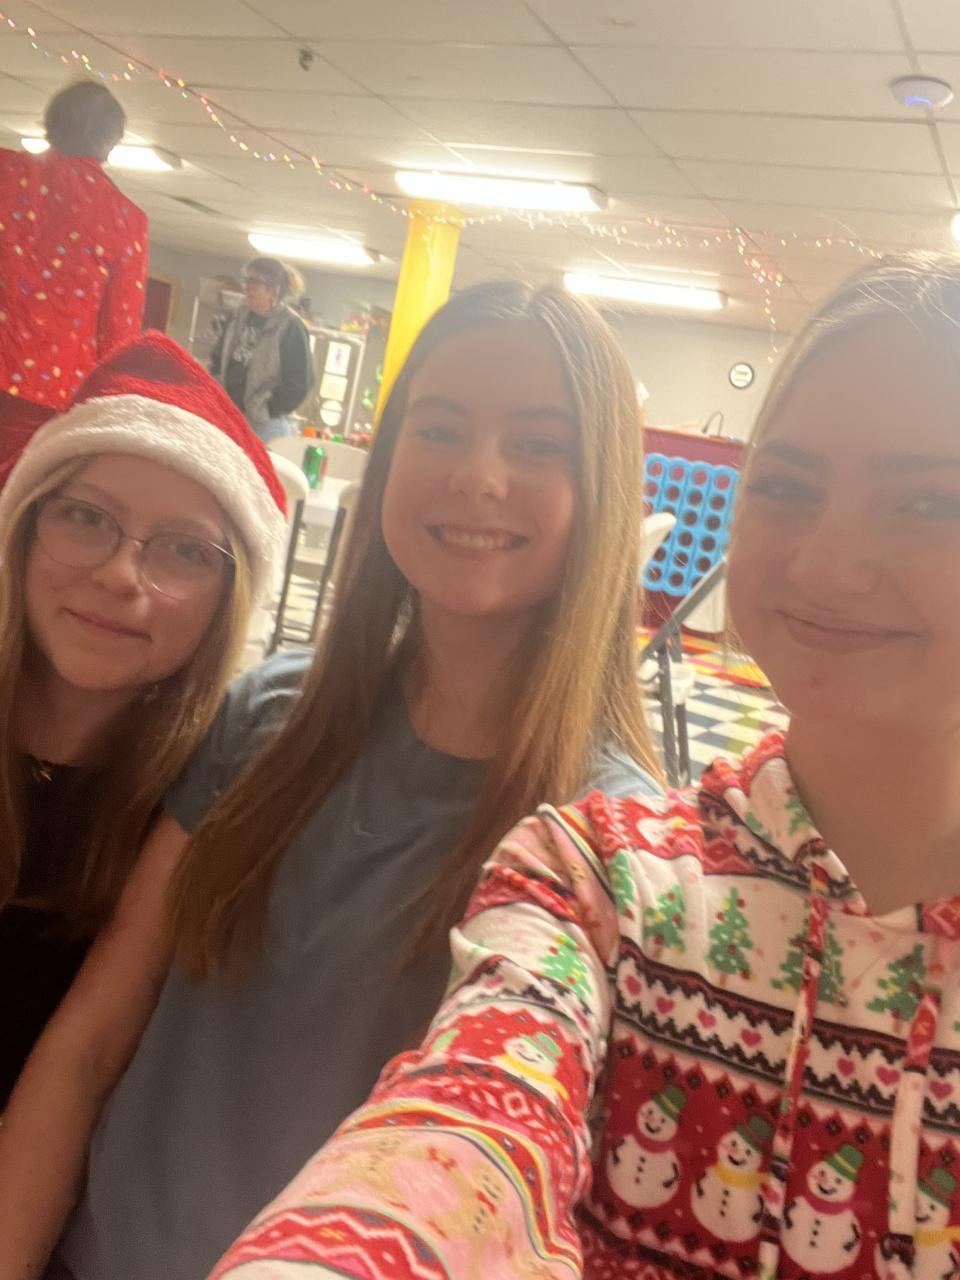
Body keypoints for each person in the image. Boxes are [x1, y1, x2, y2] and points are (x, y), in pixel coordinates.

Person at [209, 252, 960, 1280]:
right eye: (787, 486)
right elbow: (474, 1115)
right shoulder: (598, 877)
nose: (829, 562)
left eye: (928, 504)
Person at [0, 280, 663, 1279]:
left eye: (537, 444)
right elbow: (91, 1042)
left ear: (603, 493)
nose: (477, 476)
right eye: (439, 429)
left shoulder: (608, 838)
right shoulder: (268, 715)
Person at [0, 328, 285, 1112]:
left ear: (228, 600)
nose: (121, 575)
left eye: (185, 552)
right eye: (85, 517)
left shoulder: (215, 805)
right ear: (23, 529)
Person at [0, 81, 148, 466]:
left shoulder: (5, 172)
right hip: (51, 396)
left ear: (51, 122)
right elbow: (118, 336)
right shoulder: (126, 218)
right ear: (110, 141)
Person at [209, 257, 315, 443]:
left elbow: (300, 383)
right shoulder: (238, 315)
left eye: (253, 282)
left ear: (273, 289)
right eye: (245, 280)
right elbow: (219, 357)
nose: (245, 287)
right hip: (229, 415)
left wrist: (266, 408)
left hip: (265, 425)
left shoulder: (291, 326)